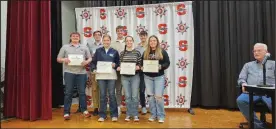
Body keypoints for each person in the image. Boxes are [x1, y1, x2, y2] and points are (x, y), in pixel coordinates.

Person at [236, 43, 275, 129]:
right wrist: (243, 84)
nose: (256, 53)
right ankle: (259, 126)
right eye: (254, 51)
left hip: (270, 94)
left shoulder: (273, 64)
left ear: (266, 52)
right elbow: (241, 78)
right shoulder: (248, 65)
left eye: (259, 50)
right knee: (240, 100)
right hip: (251, 93)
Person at [57, 32, 92, 120]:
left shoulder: (84, 47)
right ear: (70, 37)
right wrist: (64, 59)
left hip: (82, 73)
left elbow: (90, 58)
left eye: (77, 36)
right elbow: (58, 59)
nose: (75, 37)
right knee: (68, 93)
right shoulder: (65, 47)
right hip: (69, 72)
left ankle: (84, 110)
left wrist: (86, 62)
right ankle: (66, 112)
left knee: (82, 93)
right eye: (73, 36)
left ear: (79, 38)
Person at [141, 35, 170, 123]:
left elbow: (167, 63)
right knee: (150, 97)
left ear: (157, 42)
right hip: (148, 77)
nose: (152, 42)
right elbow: (142, 63)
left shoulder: (162, 52)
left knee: (158, 97)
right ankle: (153, 115)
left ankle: (161, 115)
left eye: (154, 40)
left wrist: (161, 66)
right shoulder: (145, 52)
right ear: (148, 42)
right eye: (151, 41)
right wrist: (142, 67)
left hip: (159, 77)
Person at [91, 34, 120, 122]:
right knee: (102, 95)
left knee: (111, 95)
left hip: (111, 76)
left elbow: (118, 63)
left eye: (108, 40)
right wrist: (93, 69)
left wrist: (115, 65)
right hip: (101, 76)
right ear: (102, 41)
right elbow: (93, 62)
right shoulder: (98, 50)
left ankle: (114, 114)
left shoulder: (114, 51)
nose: (106, 42)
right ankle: (102, 115)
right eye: (105, 40)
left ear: (110, 41)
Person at [117, 36, 142, 122]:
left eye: (130, 40)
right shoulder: (122, 53)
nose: (129, 42)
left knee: (134, 96)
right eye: (127, 41)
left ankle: (135, 114)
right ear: (125, 42)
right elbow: (119, 64)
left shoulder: (137, 52)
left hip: (135, 77)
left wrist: (138, 67)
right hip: (124, 77)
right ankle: (128, 114)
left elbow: (140, 64)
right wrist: (119, 68)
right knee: (127, 97)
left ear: (133, 41)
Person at [86, 30, 103, 116]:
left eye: (99, 35)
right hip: (94, 70)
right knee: (95, 89)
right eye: (95, 35)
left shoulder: (105, 44)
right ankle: (96, 107)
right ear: (93, 36)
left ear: (101, 36)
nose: (97, 36)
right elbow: (87, 56)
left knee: (103, 89)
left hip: (104, 70)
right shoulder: (89, 46)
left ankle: (102, 107)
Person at [110, 25, 125, 115]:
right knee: (118, 89)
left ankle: (130, 108)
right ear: (116, 32)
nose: (120, 32)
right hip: (117, 69)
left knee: (129, 89)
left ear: (124, 32)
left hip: (128, 69)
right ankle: (118, 106)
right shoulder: (112, 43)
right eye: (118, 31)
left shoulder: (128, 41)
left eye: (121, 31)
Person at [135, 31, 148, 115]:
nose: (143, 37)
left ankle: (155, 108)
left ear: (146, 36)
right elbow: (136, 59)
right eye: (141, 36)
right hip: (141, 71)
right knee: (142, 90)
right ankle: (143, 106)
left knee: (151, 91)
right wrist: (139, 66)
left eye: (144, 36)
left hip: (151, 71)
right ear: (139, 36)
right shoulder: (137, 47)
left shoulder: (150, 45)